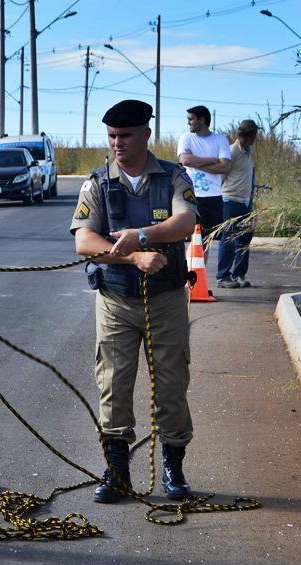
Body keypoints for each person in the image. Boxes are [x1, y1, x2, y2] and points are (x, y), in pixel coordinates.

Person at [71, 99, 197, 504]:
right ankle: (117, 472)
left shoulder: (173, 176)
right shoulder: (97, 183)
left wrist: (143, 235)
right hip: (115, 300)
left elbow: (186, 221)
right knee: (112, 385)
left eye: (125, 136)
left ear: (146, 134)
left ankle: (173, 469)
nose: (117, 144)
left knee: (171, 384)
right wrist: (133, 256)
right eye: (111, 137)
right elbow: (84, 241)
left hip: (166, 299)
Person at [177, 105, 231, 261]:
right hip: (192, 196)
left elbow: (225, 167)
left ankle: (198, 281)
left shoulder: (220, 139)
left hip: (213, 197)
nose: (188, 123)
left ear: (202, 119)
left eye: (191, 119)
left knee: (205, 241)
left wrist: (196, 162)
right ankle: (188, 277)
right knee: (193, 239)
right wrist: (212, 159)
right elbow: (185, 160)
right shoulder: (186, 138)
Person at [217, 120, 259, 288]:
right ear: (249, 135)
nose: (256, 137)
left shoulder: (249, 152)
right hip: (230, 200)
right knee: (228, 238)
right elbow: (220, 176)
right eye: (255, 134)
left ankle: (239, 274)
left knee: (244, 238)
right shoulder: (231, 152)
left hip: (246, 202)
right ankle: (223, 276)